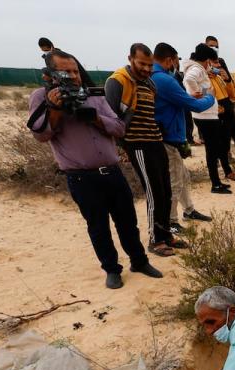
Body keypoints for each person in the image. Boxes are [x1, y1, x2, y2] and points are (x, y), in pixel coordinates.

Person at [28, 50, 162, 289]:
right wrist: (57, 108)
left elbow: (120, 128)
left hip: (112, 172)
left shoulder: (93, 95)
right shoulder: (41, 97)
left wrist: (96, 118)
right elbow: (41, 134)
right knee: (98, 227)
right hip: (81, 177)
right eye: (65, 72)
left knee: (128, 222)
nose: (73, 76)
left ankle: (139, 261)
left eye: (75, 71)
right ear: (49, 75)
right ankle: (111, 269)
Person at [106, 43, 187, 258]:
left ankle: (165, 234)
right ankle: (155, 240)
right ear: (130, 58)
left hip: (155, 141)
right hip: (137, 143)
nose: (146, 68)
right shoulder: (117, 81)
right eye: (142, 64)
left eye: (150, 65)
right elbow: (111, 117)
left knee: (166, 191)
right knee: (153, 192)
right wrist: (121, 146)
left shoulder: (149, 83)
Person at [151, 43, 215, 234]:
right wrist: (210, 97)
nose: (177, 64)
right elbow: (193, 105)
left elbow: (181, 100)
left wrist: (190, 97)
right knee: (175, 181)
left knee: (183, 176)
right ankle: (171, 221)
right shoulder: (163, 79)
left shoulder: (158, 77)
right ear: (169, 59)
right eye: (176, 60)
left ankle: (189, 210)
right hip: (168, 138)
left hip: (169, 136)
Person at [181, 45, 231, 194]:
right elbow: (189, 80)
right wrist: (199, 94)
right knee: (212, 149)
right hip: (206, 116)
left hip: (206, 115)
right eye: (210, 61)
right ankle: (215, 184)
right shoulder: (196, 69)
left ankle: (217, 182)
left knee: (213, 148)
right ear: (206, 60)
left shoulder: (198, 68)